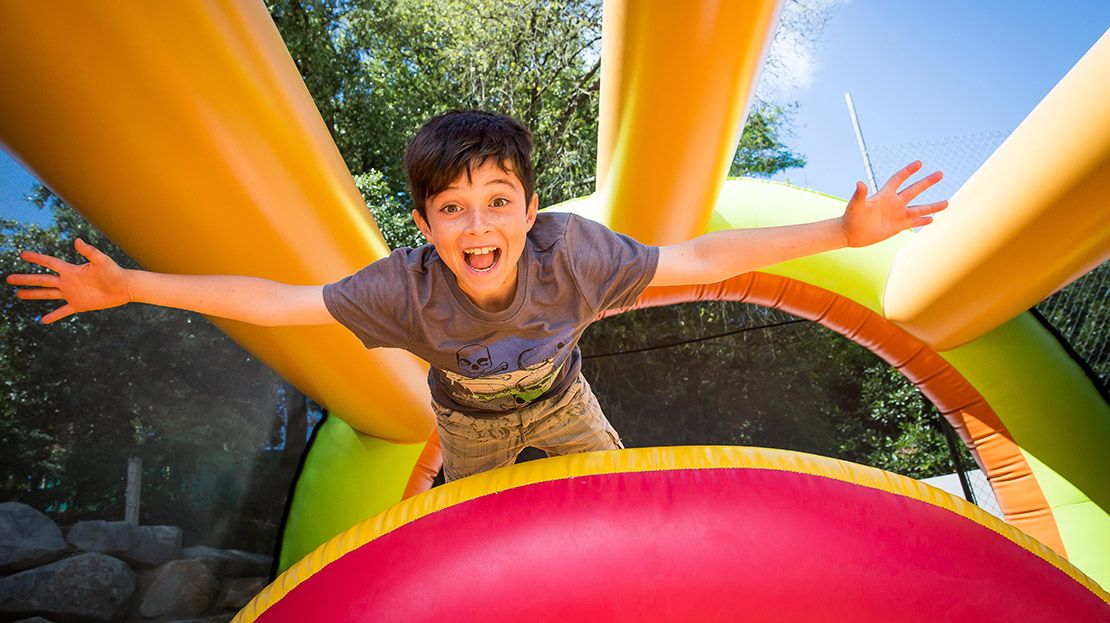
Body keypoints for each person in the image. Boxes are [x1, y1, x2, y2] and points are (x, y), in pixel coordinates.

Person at [5, 110, 946, 482]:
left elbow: (699, 254)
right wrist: (131, 285)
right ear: (426, 226)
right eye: (452, 209)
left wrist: (839, 232)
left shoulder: (571, 253)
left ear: (530, 208)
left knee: (608, 491)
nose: (477, 225)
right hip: (469, 422)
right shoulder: (403, 291)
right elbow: (273, 299)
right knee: (486, 511)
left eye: (498, 201)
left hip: (565, 399)